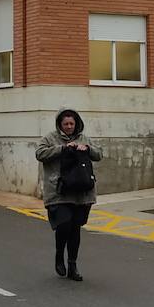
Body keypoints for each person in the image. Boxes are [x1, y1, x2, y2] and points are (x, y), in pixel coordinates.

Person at [35, 109, 100, 281]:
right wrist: (62, 149)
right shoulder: (50, 138)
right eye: (66, 124)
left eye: (72, 124)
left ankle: (72, 264)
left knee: (75, 228)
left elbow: (99, 154)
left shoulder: (83, 138)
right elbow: (40, 154)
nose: (69, 127)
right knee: (64, 224)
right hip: (59, 190)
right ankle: (59, 256)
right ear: (60, 125)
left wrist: (86, 148)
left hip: (81, 191)